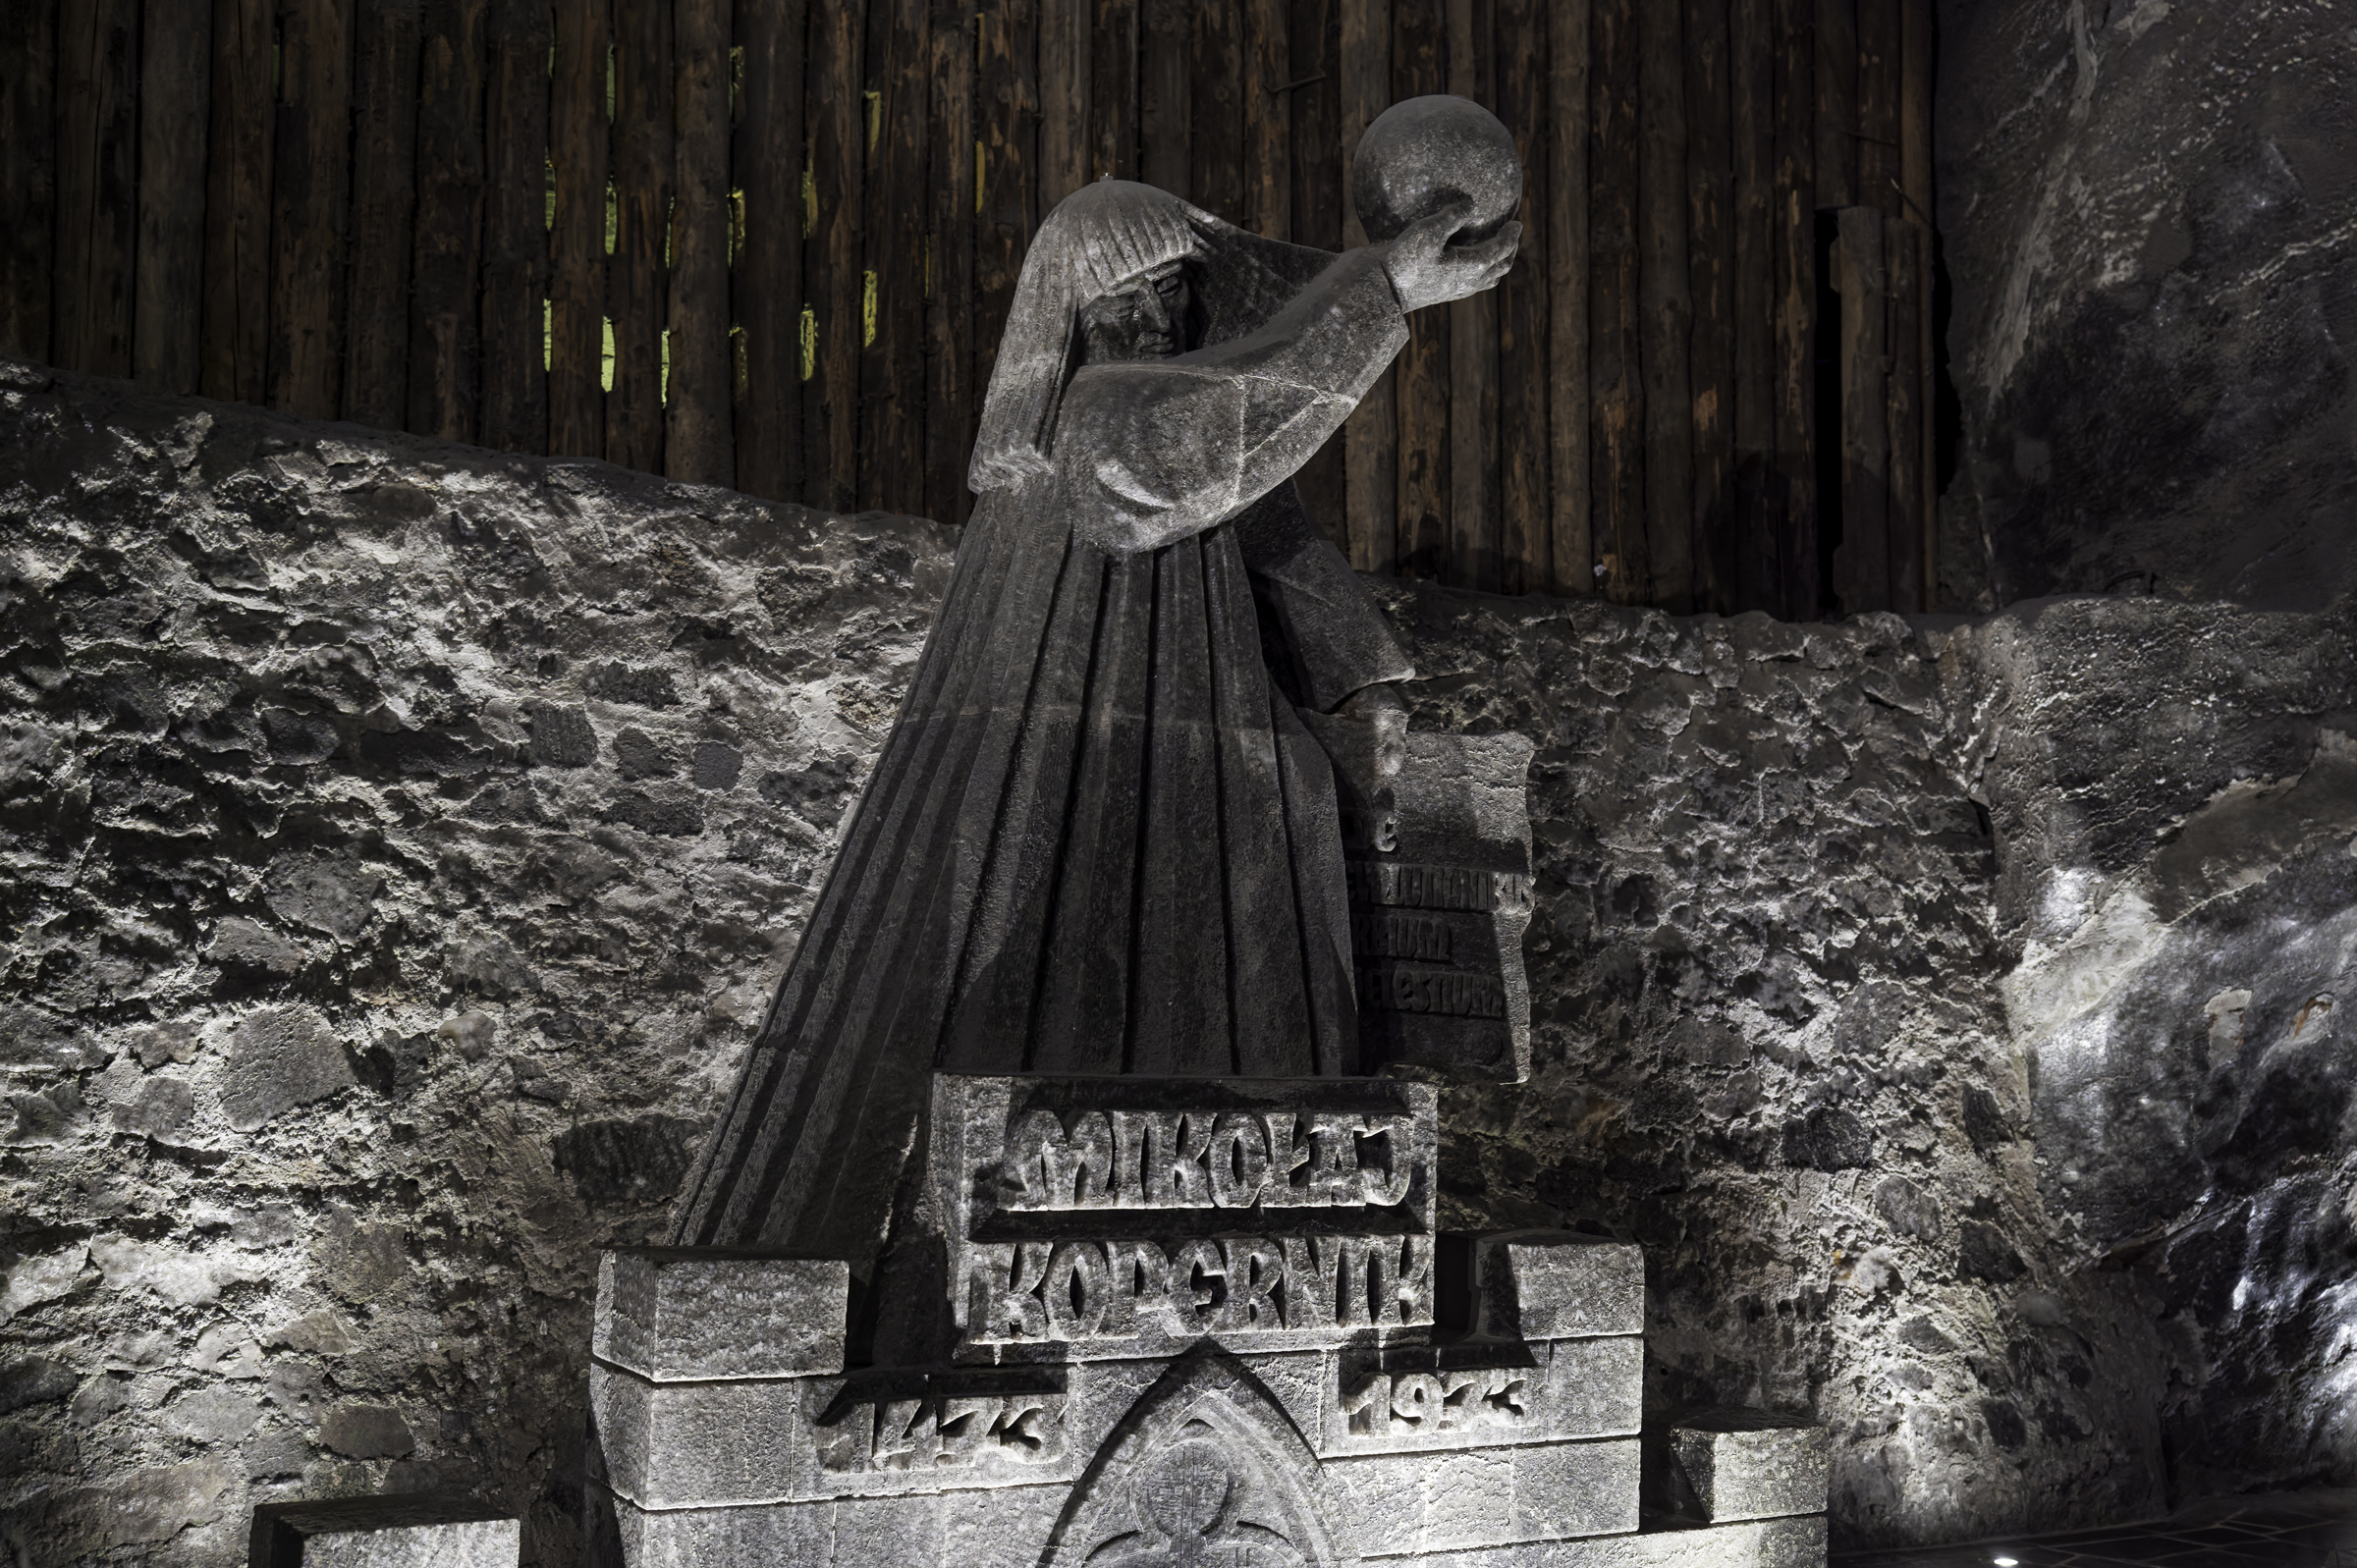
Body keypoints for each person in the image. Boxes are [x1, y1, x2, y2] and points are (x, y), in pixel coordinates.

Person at [671, 179, 1518, 1287]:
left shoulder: (1159, 411)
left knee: (1288, 830)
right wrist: (1379, 288)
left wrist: (1363, 666)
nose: (1157, 315)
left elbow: (1259, 510)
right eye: (1132, 291)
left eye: (1174, 289)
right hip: (1088, 728)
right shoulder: (1100, 417)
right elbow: (1188, 455)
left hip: (1208, 724)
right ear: (1073, 310)